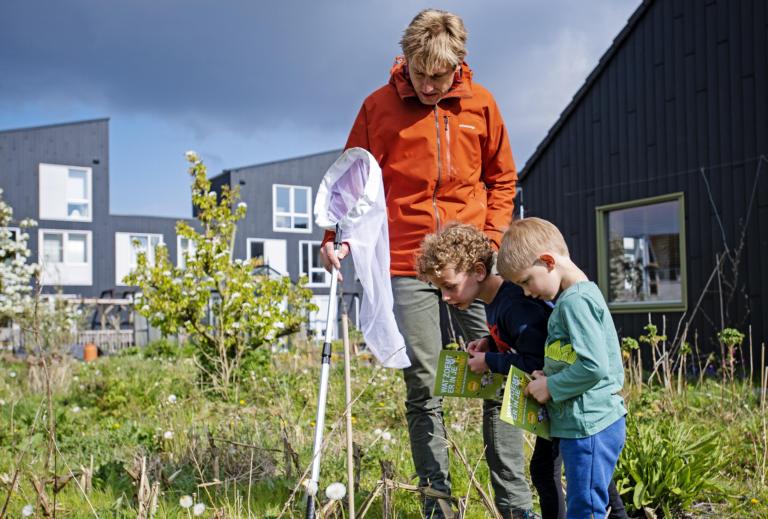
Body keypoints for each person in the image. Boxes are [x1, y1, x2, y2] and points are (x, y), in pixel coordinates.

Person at [320, 8, 517, 518]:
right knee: (424, 383)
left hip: (474, 264)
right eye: (420, 72)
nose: (429, 85)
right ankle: (439, 506)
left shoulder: (483, 105)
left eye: (440, 75)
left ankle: (514, 505)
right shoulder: (378, 107)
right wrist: (333, 237)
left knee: (502, 372)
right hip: (407, 262)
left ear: (459, 64)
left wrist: (490, 242)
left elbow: (502, 180)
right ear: (405, 60)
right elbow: (351, 183)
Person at [416, 223, 630, 519]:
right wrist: (491, 343)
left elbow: (559, 360)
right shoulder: (517, 301)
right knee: (585, 481)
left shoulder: (544, 303)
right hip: (573, 407)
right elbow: (533, 344)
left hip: (580, 409)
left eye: (449, 287)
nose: (527, 292)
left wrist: (497, 363)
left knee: (577, 492)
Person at [497, 217, 628, 519]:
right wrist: (551, 375)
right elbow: (577, 356)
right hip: (584, 423)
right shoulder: (575, 297)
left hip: (589, 425)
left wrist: (551, 387)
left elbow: (593, 366)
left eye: (526, 281)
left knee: (586, 508)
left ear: (547, 261)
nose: (527, 293)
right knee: (588, 501)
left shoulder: (575, 303)